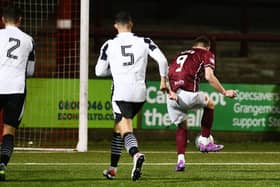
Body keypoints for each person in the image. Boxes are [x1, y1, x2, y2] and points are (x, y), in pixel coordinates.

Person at [95, 11, 168, 181]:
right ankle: (113, 169)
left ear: (115, 26)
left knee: (125, 128)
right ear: (131, 24)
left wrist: (115, 69)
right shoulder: (144, 41)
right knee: (118, 129)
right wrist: (163, 80)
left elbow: (99, 72)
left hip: (121, 92)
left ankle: (136, 154)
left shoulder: (109, 44)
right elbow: (163, 61)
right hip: (140, 93)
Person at [166, 36, 236, 172]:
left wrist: (170, 92)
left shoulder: (181, 54)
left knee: (182, 127)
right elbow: (209, 76)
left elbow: (166, 75)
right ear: (208, 47)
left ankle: (180, 161)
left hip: (171, 97)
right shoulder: (206, 53)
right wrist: (224, 92)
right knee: (210, 104)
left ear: (194, 45)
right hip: (188, 95)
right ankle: (204, 141)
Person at [0, 5, 35, 181]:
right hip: (16, 89)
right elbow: (30, 71)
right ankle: (2, 165)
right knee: (9, 130)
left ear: (3, 20)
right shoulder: (28, 40)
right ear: (20, 20)